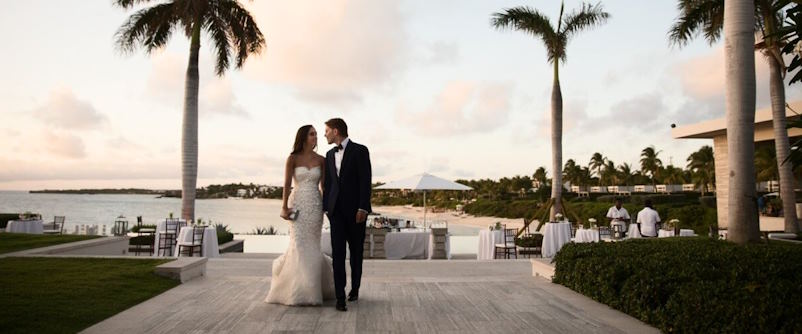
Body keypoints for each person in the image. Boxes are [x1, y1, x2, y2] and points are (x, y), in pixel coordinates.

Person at [266, 125, 335, 306]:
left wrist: (329, 206)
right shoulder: (292, 158)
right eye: (312, 134)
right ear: (303, 137)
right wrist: (283, 207)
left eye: (316, 134)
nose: (316, 137)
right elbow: (287, 184)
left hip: (315, 206)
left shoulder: (321, 160)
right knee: (298, 244)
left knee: (313, 245)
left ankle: (312, 289)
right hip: (296, 204)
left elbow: (324, 187)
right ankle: (296, 291)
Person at [322, 118, 372, 312]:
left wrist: (363, 208)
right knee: (338, 254)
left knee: (356, 254)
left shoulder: (360, 150)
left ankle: (355, 289)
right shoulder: (328, 154)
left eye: (326, 131)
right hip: (335, 213)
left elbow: (365, 181)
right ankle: (340, 296)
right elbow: (328, 185)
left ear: (335, 131)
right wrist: (327, 207)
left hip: (356, 213)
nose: (325, 134)